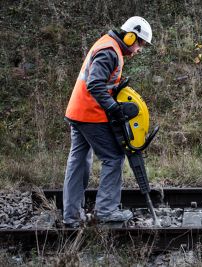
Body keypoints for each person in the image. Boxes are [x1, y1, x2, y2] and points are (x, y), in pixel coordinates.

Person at [63, 16, 153, 228]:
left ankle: (71, 216)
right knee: (113, 157)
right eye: (140, 43)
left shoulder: (106, 43)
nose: (139, 49)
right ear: (130, 36)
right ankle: (106, 211)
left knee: (78, 162)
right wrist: (113, 108)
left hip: (77, 112)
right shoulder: (110, 51)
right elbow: (95, 84)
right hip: (89, 114)